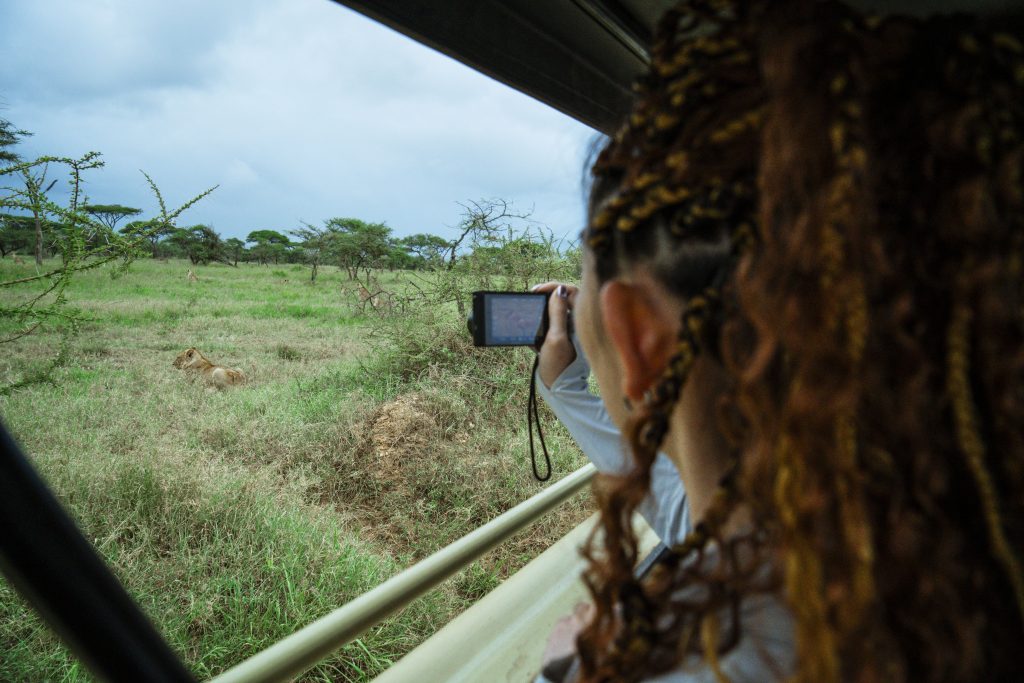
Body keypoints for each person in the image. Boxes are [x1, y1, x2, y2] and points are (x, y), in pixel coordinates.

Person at [533, 0, 1024, 681]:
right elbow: (698, 495)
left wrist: (562, 670)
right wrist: (566, 391)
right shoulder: (948, 534)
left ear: (639, 337)